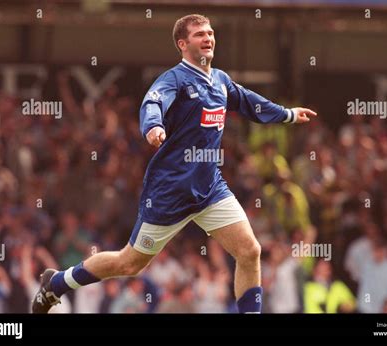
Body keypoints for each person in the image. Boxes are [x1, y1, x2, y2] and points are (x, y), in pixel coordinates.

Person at [32, 13, 317, 314]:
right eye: (199, 35)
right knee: (129, 263)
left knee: (250, 250)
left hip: (210, 189)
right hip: (170, 191)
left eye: (210, 33)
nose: (208, 38)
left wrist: (286, 114)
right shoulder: (174, 80)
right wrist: (153, 126)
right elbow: (152, 102)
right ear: (182, 44)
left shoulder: (219, 80)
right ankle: (58, 284)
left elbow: (248, 102)